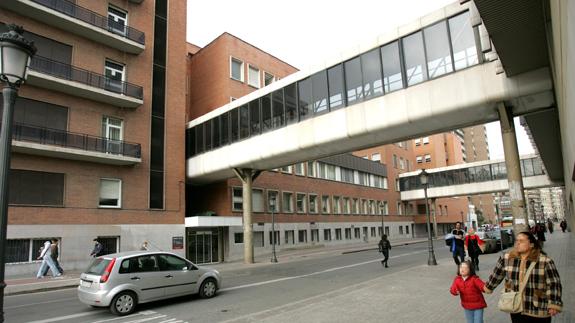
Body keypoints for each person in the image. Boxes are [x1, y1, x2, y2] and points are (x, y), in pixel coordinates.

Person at [484, 231, 563, 322]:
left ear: (531, 244)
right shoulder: (506, 258)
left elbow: (554, 283)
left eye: (521, 241)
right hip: (516, 307)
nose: (517, 243)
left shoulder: (545, 261)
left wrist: (553, 303)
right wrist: (487, 287)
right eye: (516, 241)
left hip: (538, 308)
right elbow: (496, 275)